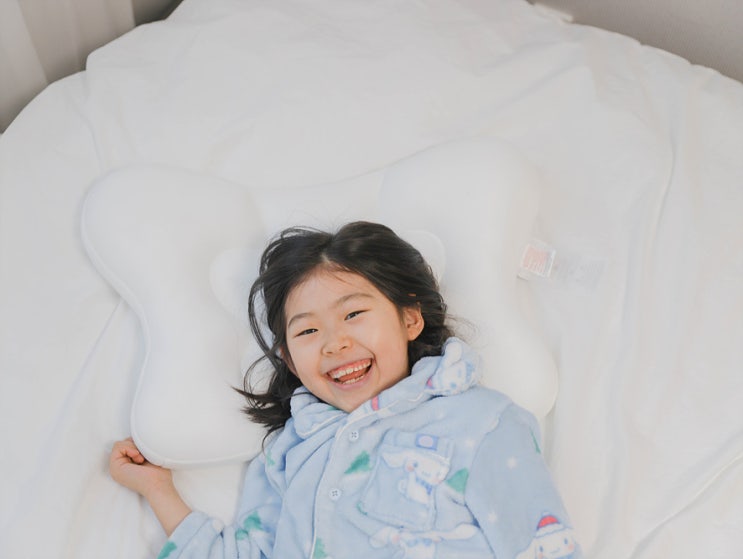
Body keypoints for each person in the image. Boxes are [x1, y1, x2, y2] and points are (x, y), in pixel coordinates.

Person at [110, 221, 581, 559]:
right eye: (307, 331)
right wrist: (158, 490)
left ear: (409, 319)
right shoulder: (289, 452)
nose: (334, 343)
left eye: (353, 314)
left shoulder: (481, 423)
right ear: (288, 359)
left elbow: (541, 544)